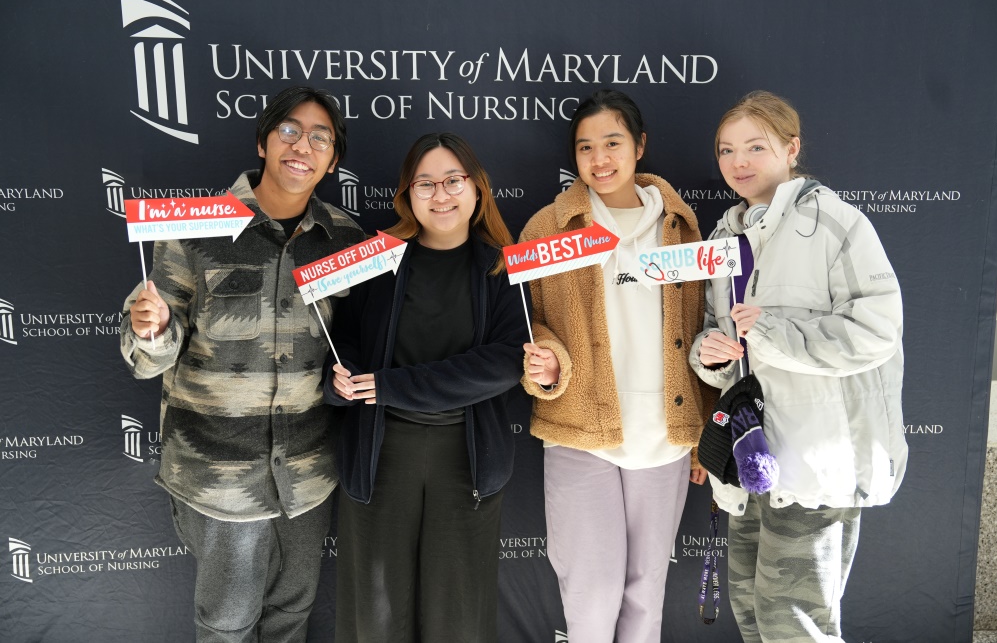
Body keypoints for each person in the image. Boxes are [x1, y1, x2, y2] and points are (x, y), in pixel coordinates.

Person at [120, 86, 364, 642]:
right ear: (262, 142)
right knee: (226, 624)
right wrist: (150, 328)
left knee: (292, 616)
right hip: (218, 478)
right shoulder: (196, 227)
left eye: (320, 138)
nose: (303, 145)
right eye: (289, 131)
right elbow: (150, 356)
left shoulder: (345, 238)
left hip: (307, 474)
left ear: (333, 160)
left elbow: (361, 338)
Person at [690, 90, 907, 642]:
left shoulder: (838, 224)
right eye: (726, 150)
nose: (739, 162)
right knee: (752, 611)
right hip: (751, 460)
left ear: (792, 148)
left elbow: (876, 332)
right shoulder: (724, 237)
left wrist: (770, 332)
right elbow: (727, 342)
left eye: (755, 147)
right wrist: (712, 355)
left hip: (815, 461)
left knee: (796, 623)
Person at [520, 89, 714, 643]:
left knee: (645, 593)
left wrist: (700, 435)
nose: (599, 159)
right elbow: (526, 323)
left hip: (665, 438)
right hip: (582, 431)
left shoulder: (679, 224)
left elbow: (700, 329)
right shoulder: (549, 228)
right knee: (591, 594)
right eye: (585, 147)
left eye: (612, 142)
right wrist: (548, 362)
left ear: (639, 145)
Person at [323, 132, 528, 642]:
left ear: (477, 189)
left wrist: (391, 385)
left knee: (458, 617)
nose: (442, 194)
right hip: (380, 453)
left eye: (454, 180)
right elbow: (340, 342)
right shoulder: (376, 262)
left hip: (468, 458)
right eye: (426, 183)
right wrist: (340, 380)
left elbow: (504, 364)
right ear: (406, 195)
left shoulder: (503, 266)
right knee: (374, 615)